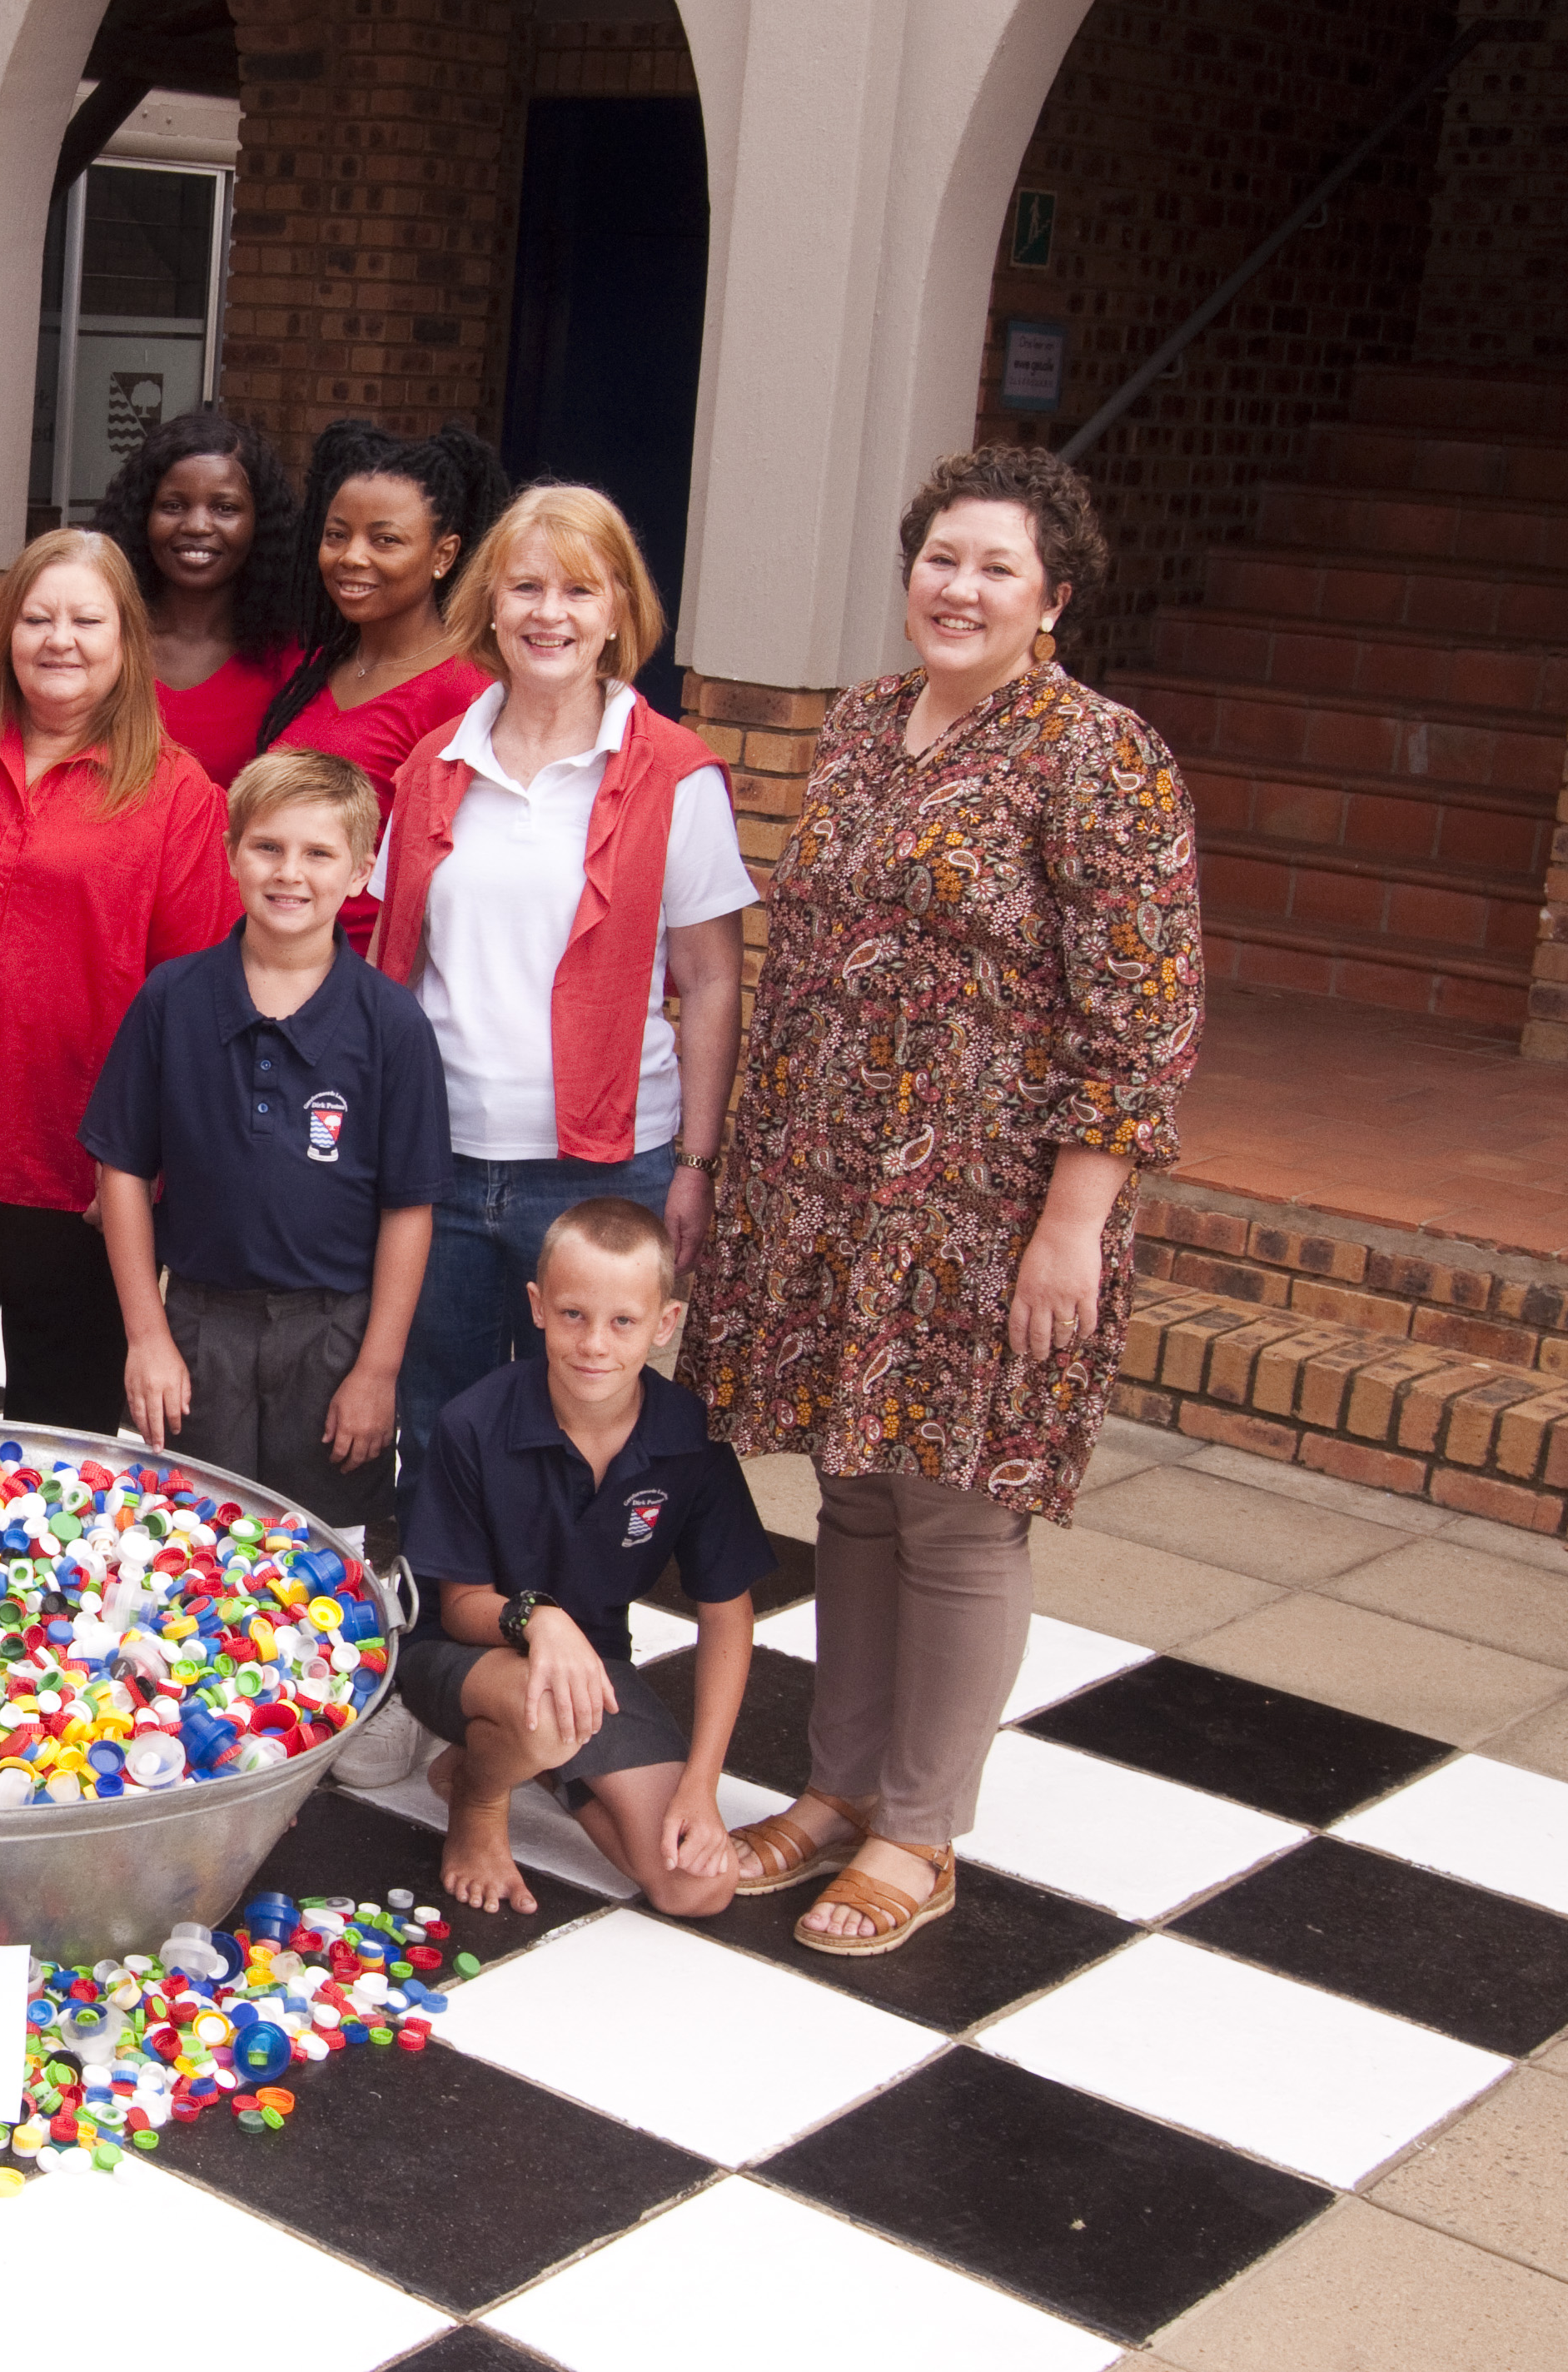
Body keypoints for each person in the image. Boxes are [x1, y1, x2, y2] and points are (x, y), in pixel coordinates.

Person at [684, 447, 1202, 1957]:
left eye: (993, 567)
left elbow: (1142, 1015)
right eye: (938, 558)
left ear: (1049, 598)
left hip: (986, 1202)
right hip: (832, 1182)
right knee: (851, 1487)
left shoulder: (1097, 755)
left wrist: (1073, 1222)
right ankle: (835, 1784)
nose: (956, 587)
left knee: (959, 1511)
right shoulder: (855, 726)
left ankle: (919, 1826)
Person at [371, 483, 754, 1510]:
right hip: (438, 1162)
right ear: (487, 606)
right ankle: (449, 1653)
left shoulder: (678, 777)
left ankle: (577, 1643)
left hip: (601, 1171)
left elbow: (713, 980)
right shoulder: (430, 768)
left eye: (580, 590)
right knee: (437, 1419)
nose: (551, 613)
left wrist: (698, 1165)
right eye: (526, 586)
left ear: (620, 611)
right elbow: (390, 972)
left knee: (580, 1429)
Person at [0, 527, 244, 1431]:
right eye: (36, 617)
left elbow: (191, 996)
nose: (57, 639)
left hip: (81, 1172)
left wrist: (153, 1157)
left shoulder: (178, 795)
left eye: (85, 619)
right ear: (6, 633)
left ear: (125, 641)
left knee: (60, 1445)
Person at [84, 750, 446, 1548]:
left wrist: (377, 1371)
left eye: (319, 854)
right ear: (231, 855)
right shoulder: (173, 1000)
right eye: (269, 848)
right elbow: (124, 1171)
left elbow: (409, 1209)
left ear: (360, 873)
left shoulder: (392, 1027)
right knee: (191, 1541)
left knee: (326, 1551)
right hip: (199, 1323)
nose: (291, 873)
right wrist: (147, 1338)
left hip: (333, 1333)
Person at [401, 1200, 769, 1919]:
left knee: (696, 1888)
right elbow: (458, 1605)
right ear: (536, 1307)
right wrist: (542, 1620)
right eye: (573, 1315)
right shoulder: (474, 1422)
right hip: (461, 1659)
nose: (595, 1344)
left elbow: (729, 1618)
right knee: (546, 1717)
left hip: (592, 1673)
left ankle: (514, 1758)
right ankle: (481, 1796)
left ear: (664, 1324)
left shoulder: (690, 1439)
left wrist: (702, 1784)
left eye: (623, 1321)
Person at [257, 423, 511, 953]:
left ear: (444, 555)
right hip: (273, 956)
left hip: (364, 982)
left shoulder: (468, 693)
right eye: (336, 535)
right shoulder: (312, 667)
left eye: (385, 539)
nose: (352, 556)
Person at [90, 410, 300, 785]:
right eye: (173, 506)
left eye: (225, 508)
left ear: (260, 521)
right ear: (142, 515)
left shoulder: (291, 659)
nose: (198, 526)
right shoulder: (96, 638)